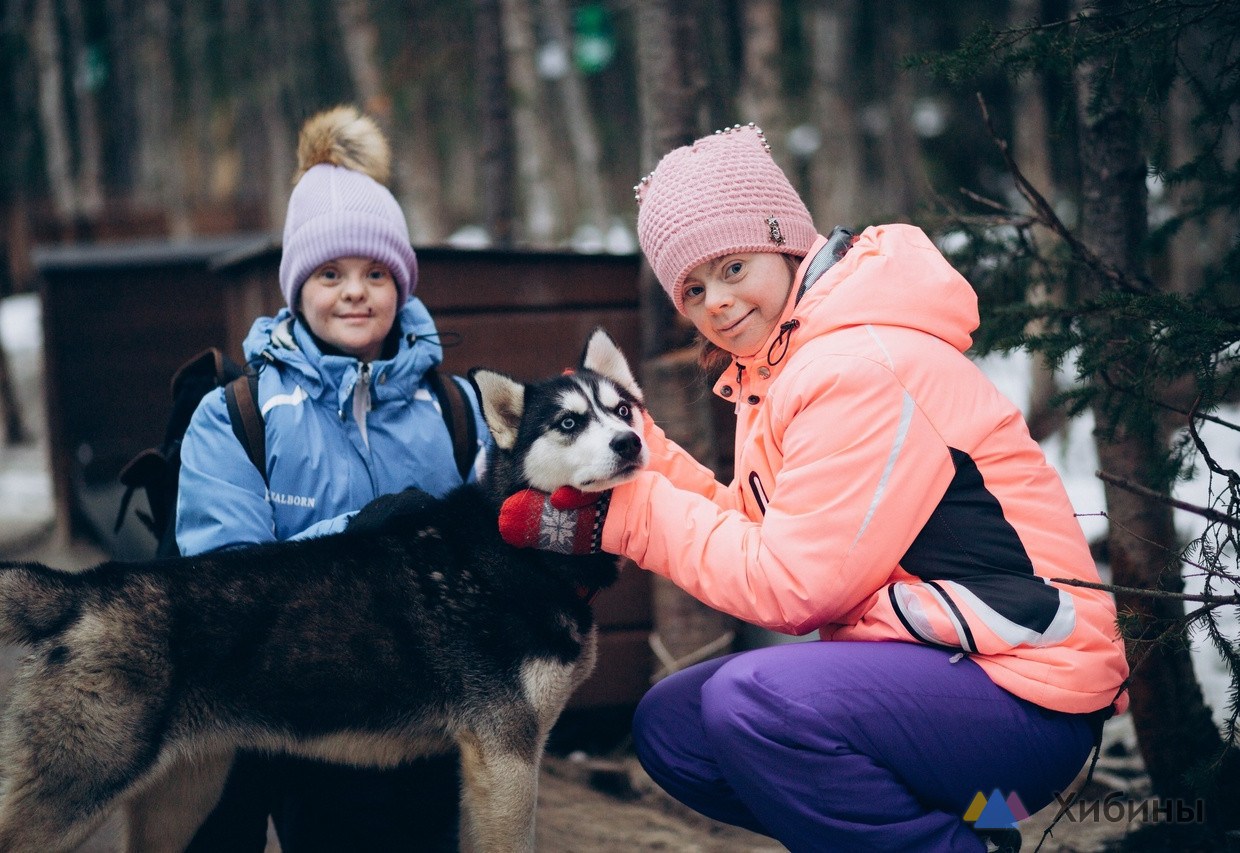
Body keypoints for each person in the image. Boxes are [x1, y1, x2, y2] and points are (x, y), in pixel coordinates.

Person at [501, 124, 1129, 852]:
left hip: (1026, 706)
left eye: (734, 266)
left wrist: (629, 514)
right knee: (676, 724)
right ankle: (958, 834)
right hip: (942, 690)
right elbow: (759, 526)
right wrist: (641, 457)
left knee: (752, 705)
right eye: (694, 288)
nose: (716, 302)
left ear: (787, 242)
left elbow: (797, 586)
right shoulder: (783, 370)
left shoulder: (858, 365)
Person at [175, 105, 488, 852]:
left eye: (377, 272)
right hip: (307, 714)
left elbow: (496, 545)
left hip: (432, 708)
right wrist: (358, 537)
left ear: (402, 285)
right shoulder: (240, 415)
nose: (355, 291)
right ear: (296, 286)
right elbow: (225, 581)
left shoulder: (455, 405)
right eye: (331, 272)